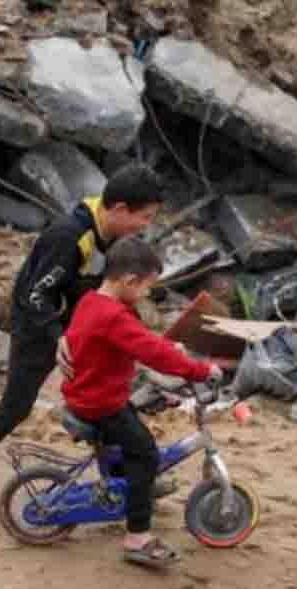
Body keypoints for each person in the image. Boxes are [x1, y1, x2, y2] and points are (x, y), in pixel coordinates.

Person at [0, 164, 174, 509]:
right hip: (39, 325)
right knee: (17, 404)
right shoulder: (69, 237)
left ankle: (124, 477)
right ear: (119, 210)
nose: (145, 227)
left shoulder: (109, 235)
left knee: (107, 395)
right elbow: (33, 294)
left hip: (77, 324)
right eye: (144, 217)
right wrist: (57, 335)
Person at [59, 236, 221, 569]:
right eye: (147, 287)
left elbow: (141, 342)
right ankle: (137, 537)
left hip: (91, 394)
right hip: (99, 403)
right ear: (130, 281)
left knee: (133, 428)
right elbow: (151, 352)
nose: (148, 293)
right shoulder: (114, 317)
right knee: (145, 451)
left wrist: (168, 353)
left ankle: (130, 489)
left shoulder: (92, 301)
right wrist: (200, 370)